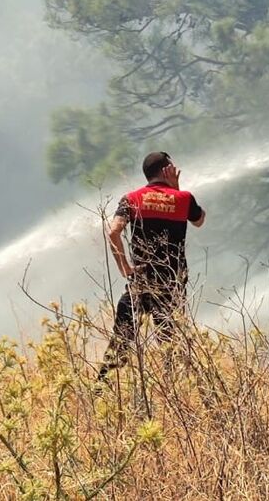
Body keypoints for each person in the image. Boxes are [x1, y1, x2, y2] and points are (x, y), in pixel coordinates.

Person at [97, 151, 206, 380]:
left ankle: (102, 389)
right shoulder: (184, 198)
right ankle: (172, 393)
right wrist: (175, 191)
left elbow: (114, 231)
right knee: (170, 346)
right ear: (167, 170)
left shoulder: (131, 199)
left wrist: (124, 266)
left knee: (121, 342)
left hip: (141, 283)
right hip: (171, 285)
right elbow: (199, 220)